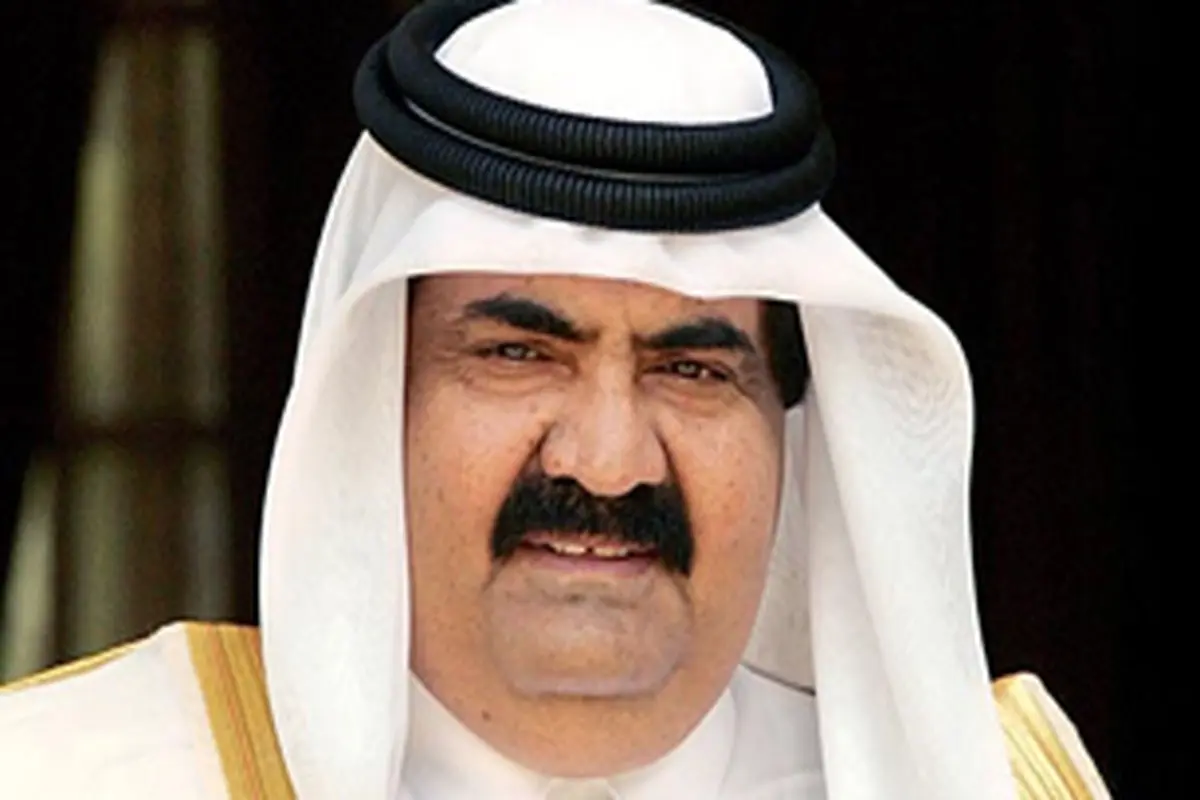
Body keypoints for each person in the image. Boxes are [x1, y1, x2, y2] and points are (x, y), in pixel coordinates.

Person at [0, 1, 1110, 798]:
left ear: (791, 427)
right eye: (518, 354)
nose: (608, 460)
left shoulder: (991, 783)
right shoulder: (82, 770)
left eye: (693, 369)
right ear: (373, 400)